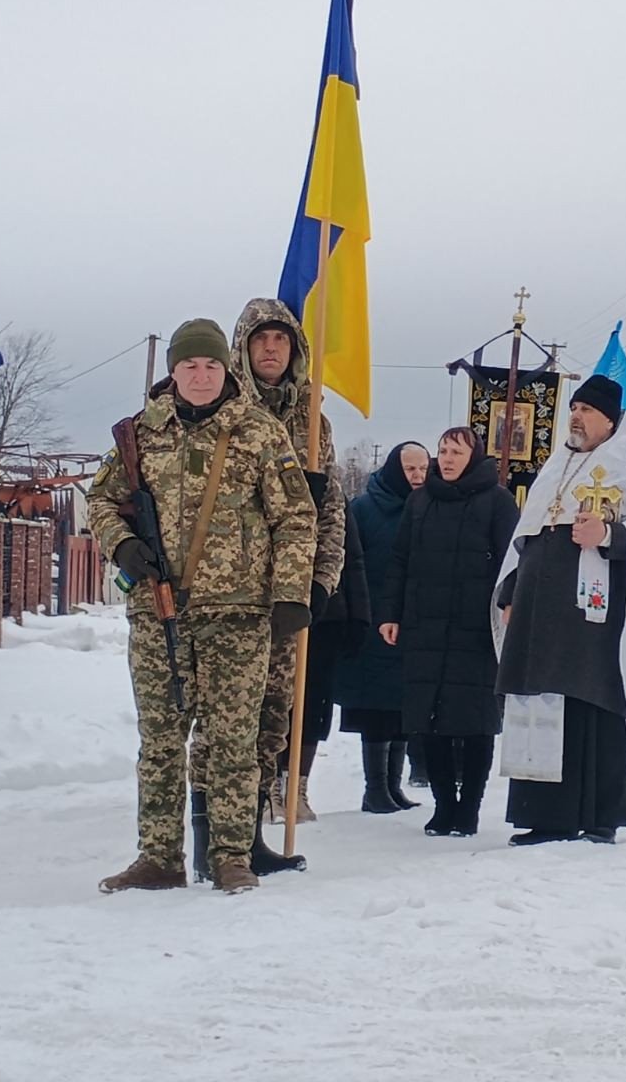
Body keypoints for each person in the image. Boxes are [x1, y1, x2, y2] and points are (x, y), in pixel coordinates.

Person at [90, 319, 317, 896]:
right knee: (160, 741)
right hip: (159, 611)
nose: (200, 375)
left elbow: (296, 517)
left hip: (239, 616)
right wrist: (122, 544)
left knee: (233, 742)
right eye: (190, 365)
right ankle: (158, 857)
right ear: (174, 371)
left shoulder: (259, 432)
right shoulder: (140, 434)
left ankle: (231, 856)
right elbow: (101, 500)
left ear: (225, 370)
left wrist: (291, 593)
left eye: (211, 365)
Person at [495, 375, 626, 846]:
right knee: (543, 707)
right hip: (540, 613)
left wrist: (609, 535)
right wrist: (511, 592)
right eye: (573, 408)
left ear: (610, 421)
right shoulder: (558, 464)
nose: (576, 416)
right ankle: (545, 817)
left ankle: (599, 817)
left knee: (592, 707)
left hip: (594, 615)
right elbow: (530, 534)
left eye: (587, 410)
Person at [228, 299, 346, 863]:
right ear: (243, 348)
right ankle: (219, 839)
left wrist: (321, 581)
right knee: (228, 720)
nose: (271, 349)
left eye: (281, 339)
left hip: (288, 595)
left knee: (274, 718)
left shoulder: (312, 420)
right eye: (260, 339)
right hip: (229, 591)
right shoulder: (224, 409)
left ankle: (251, 837)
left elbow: (331, 510)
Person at [380, 429, 519, 836]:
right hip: (425, 623)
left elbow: (514, 560)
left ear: (473, 456)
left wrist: (510, 601)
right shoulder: (421, 501)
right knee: (429, 718)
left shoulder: (497, 501)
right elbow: (400, 559)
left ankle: (469, 806)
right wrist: (391, 613)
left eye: (456, 451)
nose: (447, 458)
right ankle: (444, 806)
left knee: (475, 720)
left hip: (475, 627)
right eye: (442, 451)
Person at [333, 442, 430, 812]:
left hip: (412, 621)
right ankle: (374, 789)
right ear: (393, 470)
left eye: (424, 469)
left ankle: (393, 786)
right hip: (373, 620)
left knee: (403, 706)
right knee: (375, 707)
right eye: (410, 469)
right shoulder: (364, 509)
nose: (418, 476)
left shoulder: (427, 507)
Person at [280, 508, 371, 824]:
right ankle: (270, 788)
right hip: (276, 612)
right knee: (276, 706)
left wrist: (359, 615)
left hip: (325, 614)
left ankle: (297, 788)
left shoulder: (332, 499)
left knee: (313, 707)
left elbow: (352, 559)